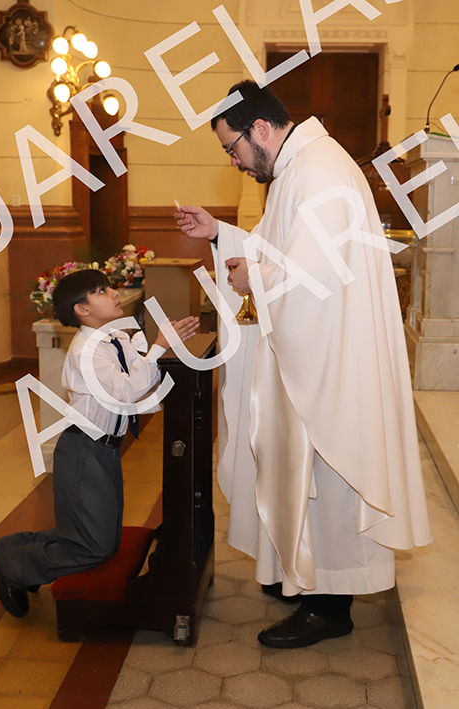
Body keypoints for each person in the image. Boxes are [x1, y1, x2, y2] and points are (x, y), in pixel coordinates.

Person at [175, 80, 431, 648]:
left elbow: (315, 281)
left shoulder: (317, 173)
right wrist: (222, 235)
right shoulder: (300, 167)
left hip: (330, 361)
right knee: (304, 472)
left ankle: (330, 605)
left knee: (326, 472)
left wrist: (257, 280)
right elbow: (282, 252)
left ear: (260, 129)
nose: (234, 161)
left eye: (232, 148)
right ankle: (308, 577)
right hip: (316, 351)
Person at [0, 269, 199, 618]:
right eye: (101, 290)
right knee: (95, 547)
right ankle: (13, 564)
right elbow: (125, 392)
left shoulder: (114, 338)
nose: (114, 293)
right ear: (82, 310)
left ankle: (14, 546)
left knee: (102, 538)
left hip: (103, 450)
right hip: (83, 450)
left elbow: (138, 376)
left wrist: (165, 346)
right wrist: (159, 347)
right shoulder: (86, 352)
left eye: (109, 287)